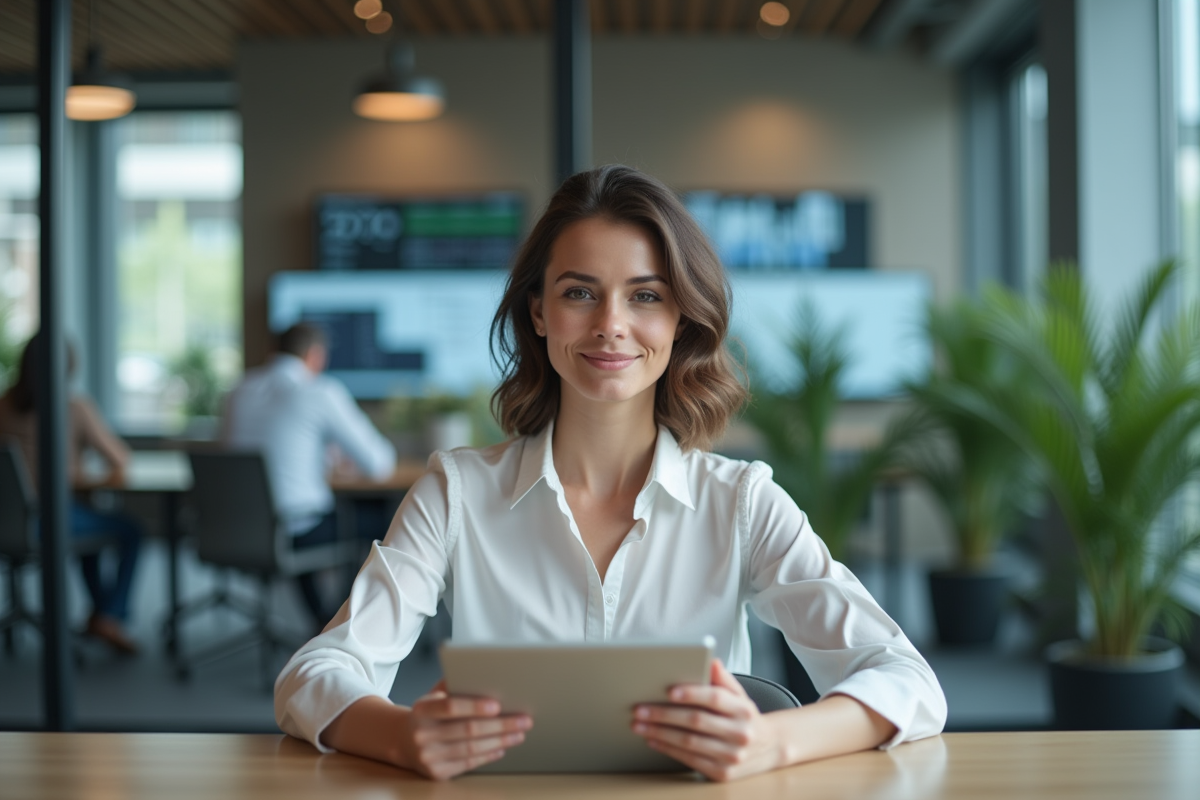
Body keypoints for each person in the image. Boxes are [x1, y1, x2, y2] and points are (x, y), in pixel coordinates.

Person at [274, 165, 946, 782]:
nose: (611, 326)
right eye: (579, 293)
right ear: (538, 311)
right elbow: (312, 674)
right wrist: (401, 735)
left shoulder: (741, 501)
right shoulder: (456, 493)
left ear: (681, 318)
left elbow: (906, 680)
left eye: (646, 295)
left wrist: (772, 741)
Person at [220, 322, 396, 629]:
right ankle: (346, 626)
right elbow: (380, 463)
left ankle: (321, 618)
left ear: (273, 352)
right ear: (315, 355)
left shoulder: (239, 391)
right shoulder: (319, 391)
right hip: (294, 528)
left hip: (236, 527)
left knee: (303, 512)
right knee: (382, 517)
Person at [0, 333, 143, 654]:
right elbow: (120, 458)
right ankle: (110, 615)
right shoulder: (72, 406)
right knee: (130, 530)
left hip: (6, 521)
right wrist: (79, 473)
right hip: (48, 518)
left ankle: (100, 615)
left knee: (90, 524)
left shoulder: (2, 405)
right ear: (67, 367)